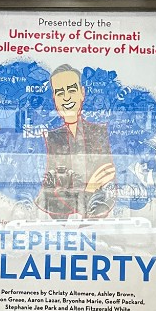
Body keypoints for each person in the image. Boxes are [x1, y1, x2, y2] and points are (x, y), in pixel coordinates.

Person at [39, 63, 116, 218]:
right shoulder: (48, 138)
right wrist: (89, 190)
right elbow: (45, 197)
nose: (66, 97)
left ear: (82, 93)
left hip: (99, 221)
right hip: (58, 225)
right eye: (60, 93)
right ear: (54, 99)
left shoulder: (100, 133)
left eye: (72, 90)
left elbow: (110, 184)